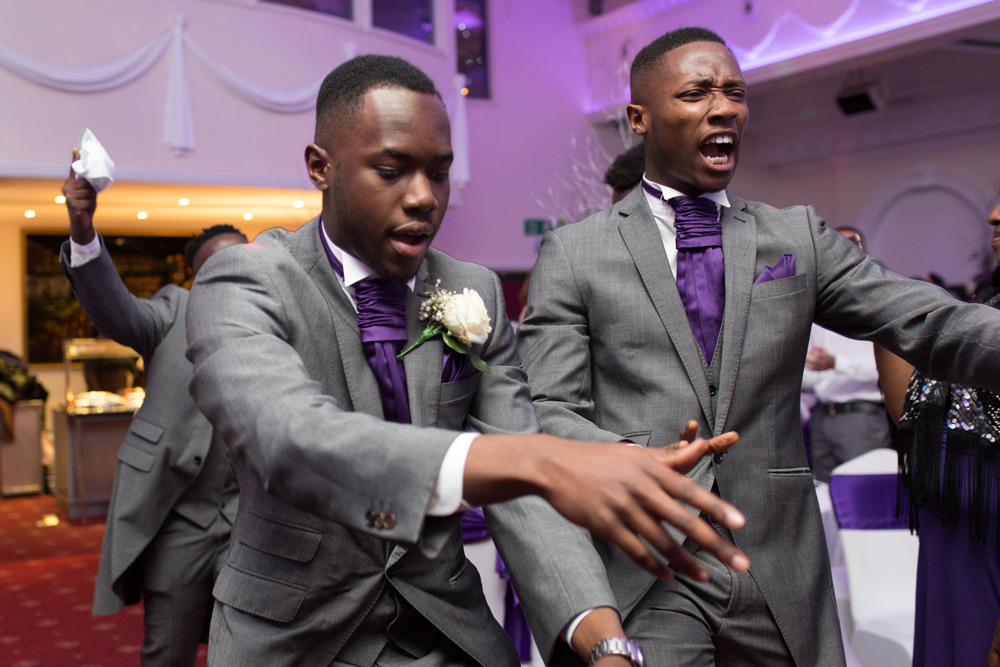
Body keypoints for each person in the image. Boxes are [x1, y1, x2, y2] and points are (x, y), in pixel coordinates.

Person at [184, 54, 748, 667]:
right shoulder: (246, 281)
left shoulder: (471, 291)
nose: (424, 198)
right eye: (391, 170)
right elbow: (288, 439)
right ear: (321, 167)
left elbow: (526, 496)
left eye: (440, 172)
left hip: (445, 634)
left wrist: (607, 642)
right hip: (294, 637)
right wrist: (540, 459)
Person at [511, 27, 1000, 666]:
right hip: (650, 567)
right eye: (696, 92)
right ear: (640, 119)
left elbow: (929, 322)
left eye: (734, 92)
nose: (724, 107)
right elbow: (548, 407)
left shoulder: (796, 236)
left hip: (779, 565)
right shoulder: (574, 254)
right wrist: (629, 458)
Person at [61, 157, 248, 667]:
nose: (237, 273)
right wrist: (83, 231)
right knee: (167, 653)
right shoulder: (173, 313)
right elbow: (115, 309)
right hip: (181, 522)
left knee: (257, 650)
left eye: (244, 261)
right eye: (220, 265)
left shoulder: (279, 322)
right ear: (197, 278)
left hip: (253, 525)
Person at [875, 198, 1000, 667]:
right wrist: (877, 299)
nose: (992, 216)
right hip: (952, 542)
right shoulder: (970, 319)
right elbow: (910, 413)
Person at [802, 227, 891, 482]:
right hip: (821, 416)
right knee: (826, 494)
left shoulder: (876, 305)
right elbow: (811, 370)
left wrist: (835, 363)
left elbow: (881, 372)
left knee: (866, 490)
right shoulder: (818, 307)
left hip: (861, 418)